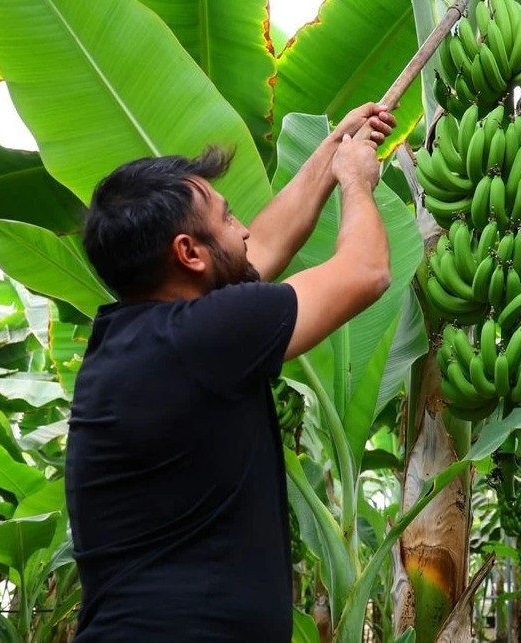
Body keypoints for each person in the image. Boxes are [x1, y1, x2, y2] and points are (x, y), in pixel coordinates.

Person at [64, 102, 396, 642]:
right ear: (188, 253)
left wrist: (333, 147)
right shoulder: (206, 336)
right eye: (228, 216)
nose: (243, 229)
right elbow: (366, 271)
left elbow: (258, 250)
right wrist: (356, 183)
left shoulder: (148, 337)